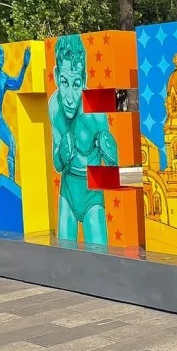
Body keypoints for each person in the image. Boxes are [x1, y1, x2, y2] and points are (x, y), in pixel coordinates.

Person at [49, 35, 118, 244]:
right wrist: (61, 154)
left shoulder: (96, 110)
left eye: (76, 83)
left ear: (85, 80)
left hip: (92, 196)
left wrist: (112, 153)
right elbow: (56, 164)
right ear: (56, 74)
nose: (70, 96)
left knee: (100, 259)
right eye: (64, 82)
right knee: (64, 257)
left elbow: (113, 169)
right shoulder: (54, 105)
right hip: (67, 191)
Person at [0, 45, 31, 179]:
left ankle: (12, 180)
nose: (1, 58)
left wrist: (24, 67)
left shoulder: (4, 76)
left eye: (3, 56)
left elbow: (17, 84)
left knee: (12, 144)